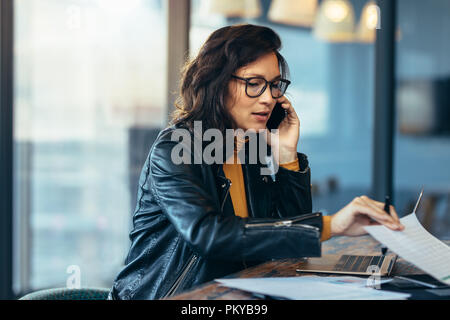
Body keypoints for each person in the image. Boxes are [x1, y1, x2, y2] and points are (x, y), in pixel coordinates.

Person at [108, 24, 403, 300]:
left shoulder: (250, 147)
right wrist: (331, 225)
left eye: (274, 85)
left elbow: (286, 245)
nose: (268, 99)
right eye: (254, 83)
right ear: (217, 83)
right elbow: (210, 234)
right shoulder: (176, 147)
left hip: (232, 295)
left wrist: (287, 156)